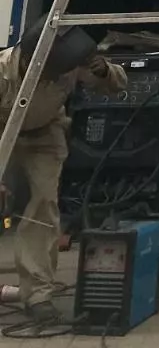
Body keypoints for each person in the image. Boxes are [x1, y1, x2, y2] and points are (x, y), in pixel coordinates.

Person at [0, 19, 127, 322]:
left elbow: (119, 84)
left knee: (43, 207)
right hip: (3, 130)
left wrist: (105, 72)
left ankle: (37, 294)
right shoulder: (3, 72)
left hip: (45, 134)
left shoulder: (69, 61)